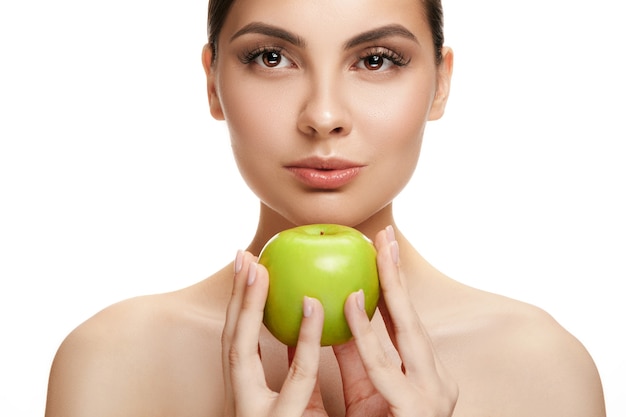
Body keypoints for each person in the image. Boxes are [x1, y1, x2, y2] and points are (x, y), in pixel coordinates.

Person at [44, 0, 606, 415]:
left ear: (440, 84)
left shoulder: (543, 370)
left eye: (378, 60)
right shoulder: (110, 362)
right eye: (271, 57)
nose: (323, 114)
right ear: (213, 83)